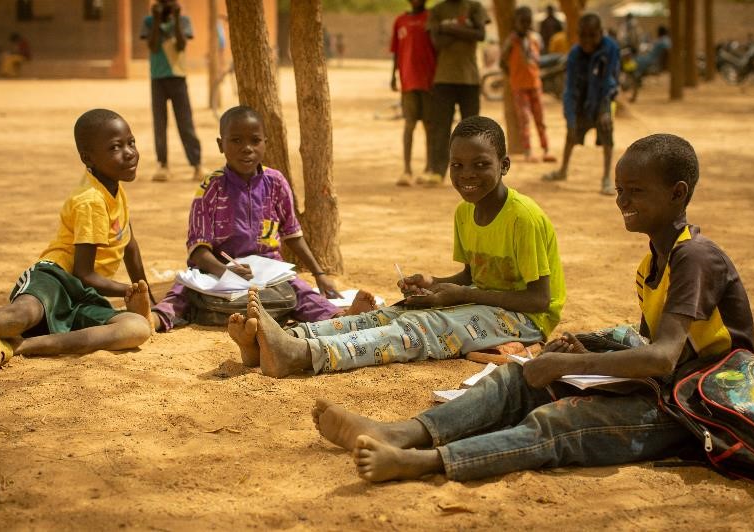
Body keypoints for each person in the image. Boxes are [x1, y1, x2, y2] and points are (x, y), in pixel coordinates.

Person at [313, 133, 754, 484]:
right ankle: (403, 432)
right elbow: (654, 354)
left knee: (558, 424)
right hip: (669, 387)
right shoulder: (654, 261)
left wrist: (576, 362)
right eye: (620, 190)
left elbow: (663, 357)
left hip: (697, 409)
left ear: (678, 194)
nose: (622, 201)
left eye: (636, 192)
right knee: (520, 377)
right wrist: (581, 359)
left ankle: (425, 462)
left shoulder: (696, 258)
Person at [228, 116, 566, 379]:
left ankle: (300, 355)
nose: (467, 175)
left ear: (504, 165)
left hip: (527, 319)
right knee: (394, 313)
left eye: (481, 165)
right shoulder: (465, 212)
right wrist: (434, 284)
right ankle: (276, 341)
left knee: (422, 328)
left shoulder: (524, 219)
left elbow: (538, 299)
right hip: (485, 307)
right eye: (457, 165)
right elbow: (472, 276)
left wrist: (461, 296)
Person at [0, 109, 154, 373]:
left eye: (131, 142)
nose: (129, 152)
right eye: (115, 147)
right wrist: (127, 290)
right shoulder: (90, 201)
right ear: (88, 158)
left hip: (84, 298)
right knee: (16, 317)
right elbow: (83, 274)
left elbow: (130, 245)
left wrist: (146, 294)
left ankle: (20, 346)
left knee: (136, 328)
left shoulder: (115, 191)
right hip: (55, 279)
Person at [151, 106, 376, 340]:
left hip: (269, 271)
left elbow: (293, 234)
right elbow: (198, 251)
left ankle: (340, 318)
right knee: (182, 290)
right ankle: (154, 319)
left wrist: (319, 273)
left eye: (255, 140)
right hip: (218, 270)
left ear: (265, 143)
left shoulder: (276, 182)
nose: (246, 148)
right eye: (236, 140)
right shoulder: (211, 188)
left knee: (301, 291)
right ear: (221, 145)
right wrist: (226, 271)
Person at [543, 13, 620, 195]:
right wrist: (570, 117)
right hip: (581, 100)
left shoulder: (610, 48)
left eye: (592, 35)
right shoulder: (575, 54)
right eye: (582, 35)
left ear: (600, 33)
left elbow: (611, 80)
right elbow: (569, 88)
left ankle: (606, 178)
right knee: (571, 135)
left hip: (602, 97)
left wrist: (605, 109)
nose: (587, 41)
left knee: (606, 133)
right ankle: (563, 170)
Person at [424, 0, 489, 186]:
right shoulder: (437, 10)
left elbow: (481, 35)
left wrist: (449, 29)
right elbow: (437, 42)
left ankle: (474, 171)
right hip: (444, 78)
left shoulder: (475, 7)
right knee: (441, 127)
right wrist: (466, 30)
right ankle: (438, 171)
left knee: (471, 130)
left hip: (470, 78)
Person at [140, 0, 204, 182]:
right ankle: (163, 164)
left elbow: (181, 45)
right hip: (158, 79)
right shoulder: (149, 22)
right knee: (160, 123)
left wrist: (175, 19)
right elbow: (152, 46)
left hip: (178, 78)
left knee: (186, 123)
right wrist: (156, 19)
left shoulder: (183, 21)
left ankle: (197, 165)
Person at [500, 6, 556, 164]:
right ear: (516, 22)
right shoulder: (511, 41)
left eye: (528, 22)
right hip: (519, 86)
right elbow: (502, 62)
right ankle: (528, 151)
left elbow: (538, 59)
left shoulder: (535, 39)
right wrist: (513, 75)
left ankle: (546, 149)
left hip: (535, 84)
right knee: (524, 120)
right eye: (522, 22)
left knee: (540, 119)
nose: (525, 25)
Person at [391, 0, 437, 186]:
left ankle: (429, 168)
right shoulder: (400, 21)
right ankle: (407, 170)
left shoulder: (431, 18)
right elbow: (396, 52)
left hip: (429, 80)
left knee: (429, 125)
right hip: (408, 80)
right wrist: (393, 75)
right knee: (409, 124)